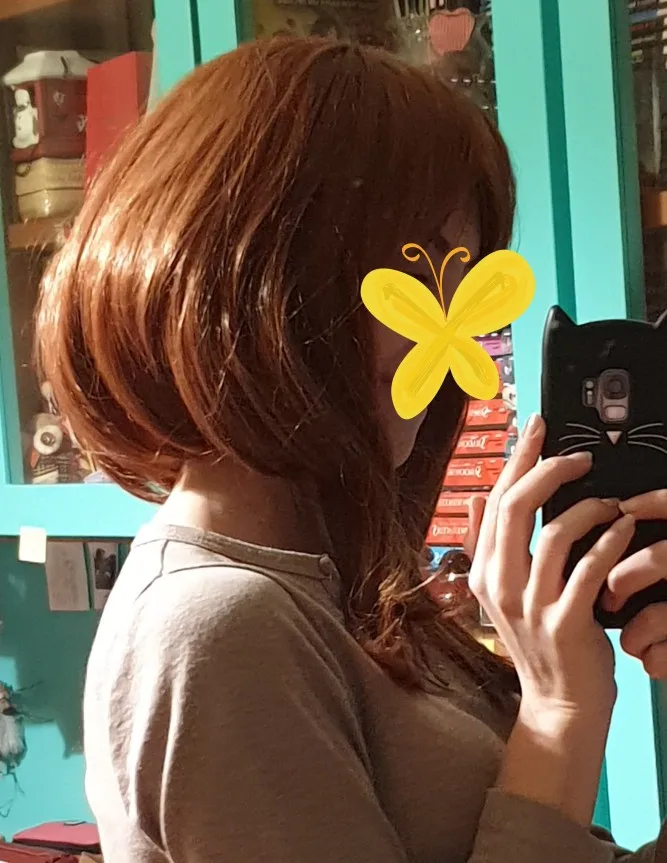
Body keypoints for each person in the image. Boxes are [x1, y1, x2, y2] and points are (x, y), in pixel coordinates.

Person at [35, 36, 667, 862]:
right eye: (406, 273)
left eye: (463, 276)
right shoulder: (219, 625)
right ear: (248, 276)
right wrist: (558, 714)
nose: (445, 323)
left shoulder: (344, 592)